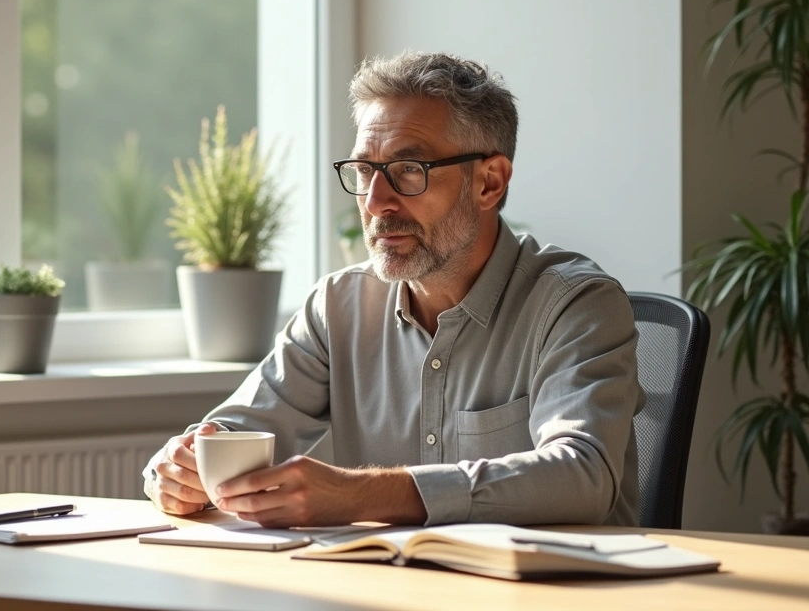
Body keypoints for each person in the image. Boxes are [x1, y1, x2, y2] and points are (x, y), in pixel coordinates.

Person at [143, 50, 643, 529]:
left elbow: (581, 476)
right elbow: (231, 430)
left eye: (409, 170)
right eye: (364, 171)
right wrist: (181, 468)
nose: (376, 201)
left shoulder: (577, 303)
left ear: (489, 182)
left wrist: (356, 494)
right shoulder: (338, 307)